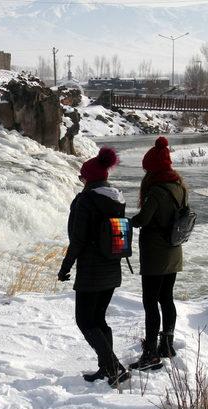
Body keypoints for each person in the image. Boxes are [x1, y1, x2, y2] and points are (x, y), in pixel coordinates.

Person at [57, 147, 130, 387]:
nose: (81, 180)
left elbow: (77, 239)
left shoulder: (86, 200)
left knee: (85, 320)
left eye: (82, 177)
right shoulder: (117, 199)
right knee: (98, 319)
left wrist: (66, 266)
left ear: (89, 178)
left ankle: (113, 367)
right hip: (112, 267)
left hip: (91, 269)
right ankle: (106, 368)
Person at [129, 136, 186, 371]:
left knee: (150, 302)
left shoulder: (156, 191)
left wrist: (126, 221)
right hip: (174, 251)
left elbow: (143, 219)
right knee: (167, 299)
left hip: (156, 254)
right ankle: (167, 345)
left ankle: (151, 354)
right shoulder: (179, 186)